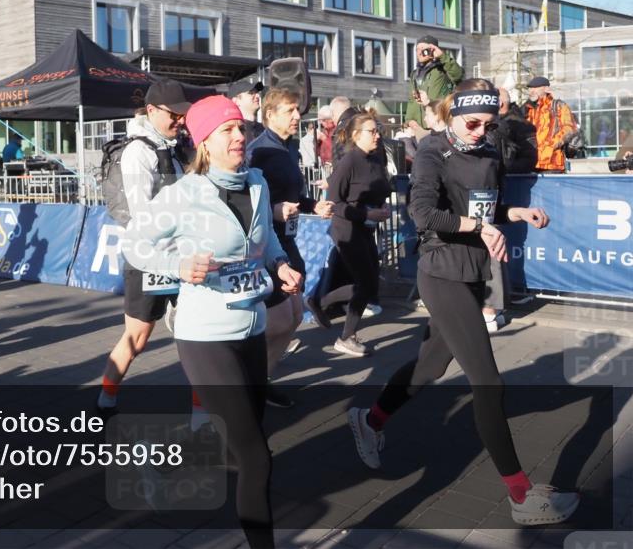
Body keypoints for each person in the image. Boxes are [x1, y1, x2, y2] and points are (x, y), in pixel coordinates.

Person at [347, 83, 580, 526]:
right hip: (439, 272)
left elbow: (489, 208)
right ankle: (520, 495)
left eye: (488, 124)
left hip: (472, 272)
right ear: (451, 115)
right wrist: (480, 226)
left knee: (430, 367)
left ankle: (370, 419)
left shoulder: (490, 150)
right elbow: (422, 214)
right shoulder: (434, 151)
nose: (480, 131)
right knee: (488, 383)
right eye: (471, 122)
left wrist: (514, 215)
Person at [123, 94, 302, 549]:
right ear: (204, 140)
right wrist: (179, 266)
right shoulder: (182, 195)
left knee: (235, 444)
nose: (239, 136)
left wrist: (279, 266)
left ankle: (160, 467)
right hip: (204, 336)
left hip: (252, 330)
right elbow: (134, 246)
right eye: (227, 130)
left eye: (241, 128)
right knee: (256, 457)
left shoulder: (258, 183)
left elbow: (267, 245)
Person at [97, 79, 191, 415]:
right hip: (148, 258)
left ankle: (203, 408)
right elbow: (141, 215)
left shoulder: (173, 146)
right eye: (173, 115)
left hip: (181, 256)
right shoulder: (139, 151)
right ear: (151, 111)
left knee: (198, 336)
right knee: (136, 339)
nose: (180, 121)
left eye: (183, 114)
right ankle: (106, 397)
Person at [247, 88, 332, 406]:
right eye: (290, 111)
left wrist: (313, 205)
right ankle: (245, 371)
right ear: (270, 115)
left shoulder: (289, 148)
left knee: (295, 316)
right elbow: (248, 205)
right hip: (268, 245)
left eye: (298, 110)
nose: (298, 116)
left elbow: (293, 194)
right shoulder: (259, 152)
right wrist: (274, 210)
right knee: (281, 319)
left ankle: (262, 380)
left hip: (289, 240)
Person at [308, 113, 392, 356]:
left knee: (369, 282)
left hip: (365, 227)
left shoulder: (376, 158)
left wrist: (382, 206)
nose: (377, 135)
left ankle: (319, 302)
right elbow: (335, 203)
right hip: (346, 228)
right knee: (365, 283)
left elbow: (379, 188)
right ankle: (346, 337)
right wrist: (367, 213)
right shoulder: (349, 161)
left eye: (378, 131)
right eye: (372, 131)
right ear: (356, 136)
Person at [405, 35, 464, 130]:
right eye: (417, 49)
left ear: (433, 50)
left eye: (423, 49)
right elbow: (412, 100)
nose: (419, 52)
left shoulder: (443, 69)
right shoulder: (415, 73)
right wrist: (409, 120)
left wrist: (442, 57)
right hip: (419, 128)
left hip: (439, 124)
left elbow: (458, 75)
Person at [522, 76, 576, 173]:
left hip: (552, 163)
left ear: (546, 89)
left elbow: (569, 129)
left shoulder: (559, 106)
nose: (531, 90)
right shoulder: (527, 108)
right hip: (529, 162)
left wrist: (550, 146)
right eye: (530, 88)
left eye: (535, 87)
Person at [226, 78, 264, 143]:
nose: (257, 95)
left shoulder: (264, 130)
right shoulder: (229, 131)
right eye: (251, 93)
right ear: (236, 101)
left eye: (256, 92)